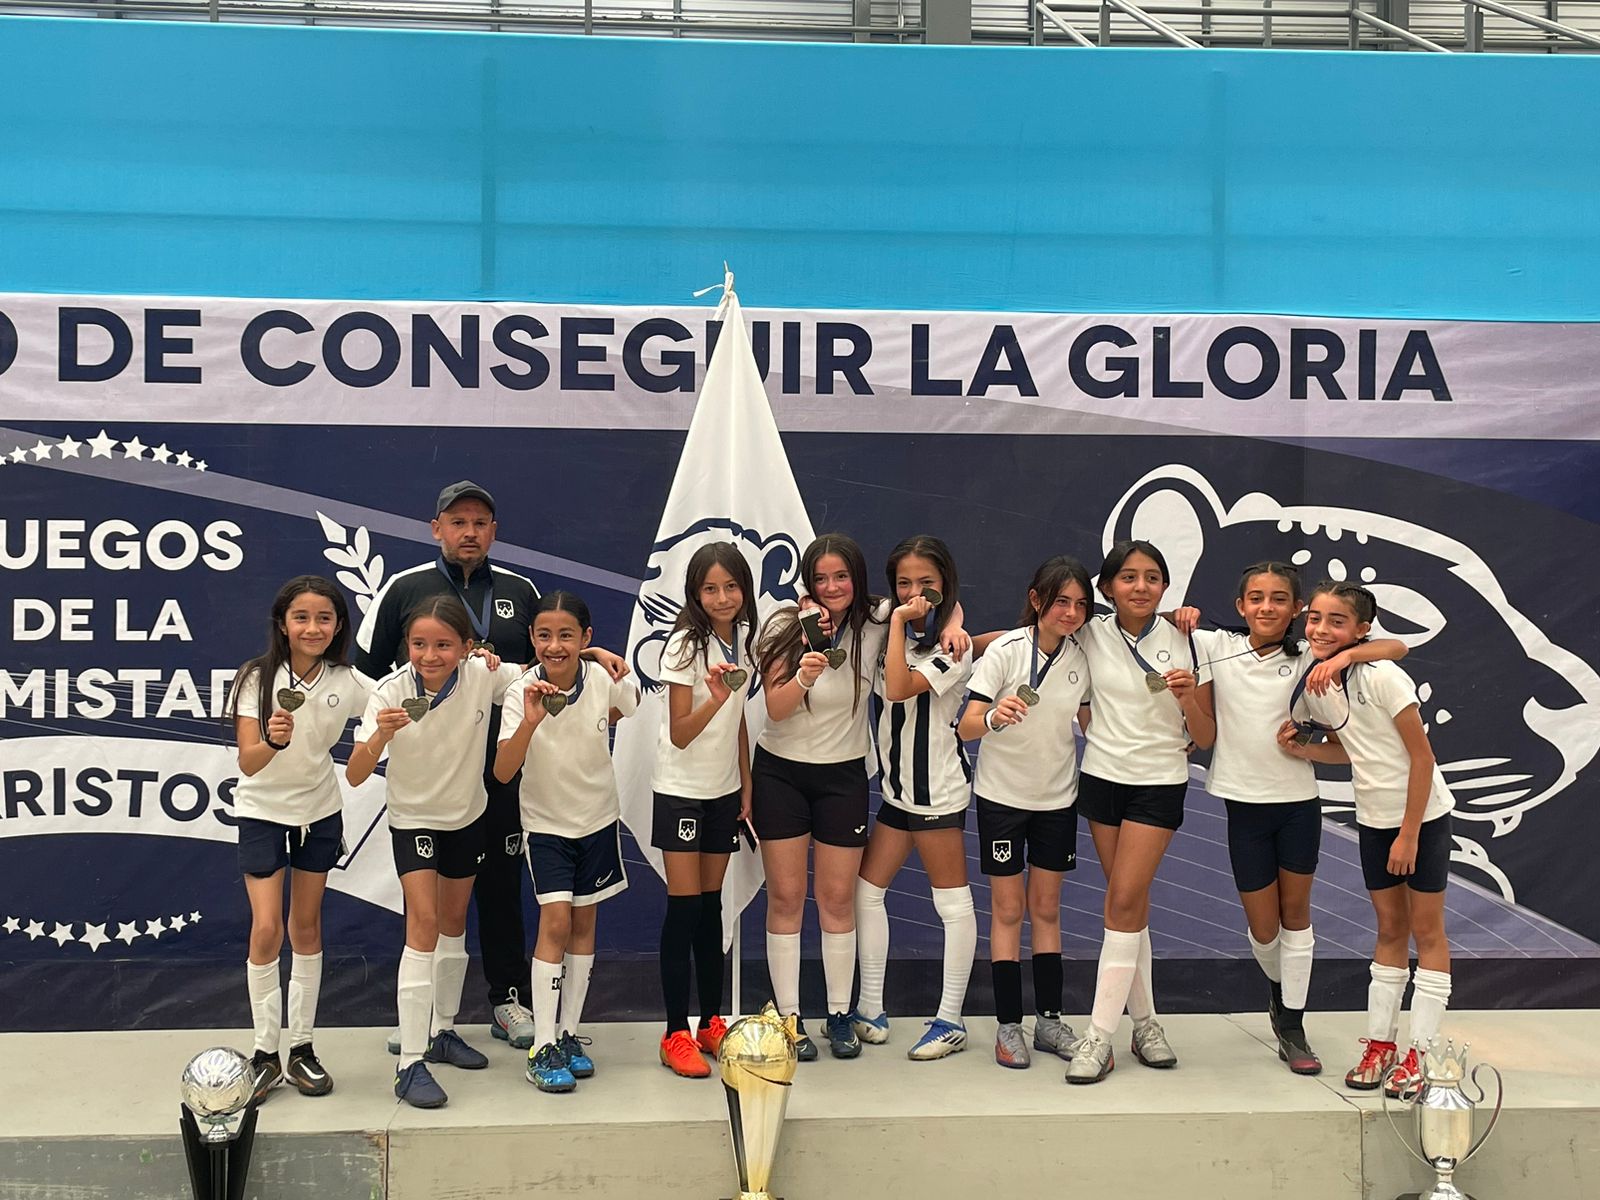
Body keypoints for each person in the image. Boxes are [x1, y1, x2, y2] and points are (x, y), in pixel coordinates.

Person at [355, 481, 624, 1054]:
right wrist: (385, 732)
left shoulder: (520, 589)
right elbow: (365, 677)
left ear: (494, 531)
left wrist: (595, 653)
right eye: (457, 521)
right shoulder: (404, 589)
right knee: (430, 912)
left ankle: (507, 1001)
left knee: (502, 888)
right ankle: (422, 1020)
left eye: (480, 522)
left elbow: (547, 660)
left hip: (507, 767)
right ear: (436, 529)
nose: (469, 531)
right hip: (433, 776)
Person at [1185, 562, 1407, 1076]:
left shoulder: (1313, 652)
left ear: (1297, 609)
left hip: (1298, 806)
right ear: (1241, 606)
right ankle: (1280, 995)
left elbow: (1397, 649)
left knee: (1296, 917)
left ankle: (1292, 1025)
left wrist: (1345, 655)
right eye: (1256, 598)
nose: (1267, 607)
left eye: (1280, 599)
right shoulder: (1217, 646)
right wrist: (1182, 613)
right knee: (1264, 931)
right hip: (1243, 804)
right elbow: (1167, 630)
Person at [752, 534, 967, 1061]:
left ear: (858, 579)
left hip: (844, 777)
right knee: (784, 899)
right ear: (807, 582)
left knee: (838, 899)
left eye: (841, 577)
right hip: (780, 775)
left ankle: (839, 1013)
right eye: (820, 579)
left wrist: (957, 624)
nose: (831, 589)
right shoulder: (784, 622)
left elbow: (938, 598)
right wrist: (803, 675)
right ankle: (789, 1019)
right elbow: (775, 711)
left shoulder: (878, 618)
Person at [1276, 580, 1454, 1098]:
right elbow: (1351, 750)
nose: (1321, 629)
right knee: (1389, 929)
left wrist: (1409, 835)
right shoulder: (1321, 682)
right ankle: (1382, 1045)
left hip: (1420, 821)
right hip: (1375, 820)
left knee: (1428, 932)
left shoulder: (1383, 676)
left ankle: (1422, 1053)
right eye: (1315, 619)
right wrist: (1305, 750)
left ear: (1361, 630)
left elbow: (1422, 759)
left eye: (1337, 621)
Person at [348, 595, 511, 1109]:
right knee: (421, 926)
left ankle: (443, 1031)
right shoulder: (389, 691)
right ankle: (409, 1062)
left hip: (467, 816)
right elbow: (354, 774)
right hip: (413, 819)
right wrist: (380, 735)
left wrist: (596, 658)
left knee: (453, 923)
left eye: (443, 644)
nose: (430, 655)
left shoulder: (485, 674)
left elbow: (544, 670)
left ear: (467, 646)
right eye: (420, 644)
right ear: (407, 646)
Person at [1065, 540, 1204, 1084]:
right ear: (1106, 588)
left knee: (1122, 899)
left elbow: (1207, 735)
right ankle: (1145, 1023)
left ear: (1166, 586)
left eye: (1152, 577)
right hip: (1102, 779)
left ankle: (1098, 1037)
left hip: (1158, 783)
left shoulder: (1194, 637)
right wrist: (956, 631)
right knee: (1131, 905)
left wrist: (1190, 699)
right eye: (1128, 577)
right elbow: (1019, 640)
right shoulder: (1088, 630)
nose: (1140, 586)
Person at [227, 575, 369, 1102]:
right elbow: (248, 761)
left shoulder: (348, 680)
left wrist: (482, 662)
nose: (313, 627)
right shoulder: (255, 678)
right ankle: (265, 1052)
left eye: (324, 618)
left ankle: (302, 1049)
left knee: (305, 925)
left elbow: (407, 693)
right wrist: (272, 738)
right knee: (267, 929)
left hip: (320, 813)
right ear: (283, 625)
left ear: (337, 627)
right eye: (302, 618)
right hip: (263, 811)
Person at [495, 592, 641, 1094]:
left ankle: (570, 1034)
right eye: (544, 635)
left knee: (584, 924)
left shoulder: (602, 677)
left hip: (598, 819)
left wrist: (600, 661)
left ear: (586, 637)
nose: (554, 646)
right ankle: (542, 1044)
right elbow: (503, 770)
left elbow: (628, 705)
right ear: (532, 639)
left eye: (566, 636)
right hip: (547, 826)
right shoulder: (520, 692)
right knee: (555, 922)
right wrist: (533, 721)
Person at [956, 556, 1093, 1069]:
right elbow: (966, 724)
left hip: (1057, 799)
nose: (1072, 612)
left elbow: (1091, 722)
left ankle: (1050, 1022)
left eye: (1080, 605)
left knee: (1048, 911)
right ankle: (1008, 1025)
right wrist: (993, 714)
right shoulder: (1008, 652)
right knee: (1009, 911)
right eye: (1061, 602)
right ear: (1037, 600)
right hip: (1002, 800)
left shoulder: (1084, 654)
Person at [853, 536, 977, 1062]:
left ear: (944, 581)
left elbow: (900, 689)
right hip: (896, 793)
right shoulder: (891, 620)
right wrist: (909, 617)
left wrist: (923, 622)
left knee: (951, 905)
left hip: (937, 794)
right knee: (866, 892)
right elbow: (850, 605)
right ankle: (868, 1007)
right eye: (904, 583)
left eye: (927, 582)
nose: (914, 592)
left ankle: (950, 1020)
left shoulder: (951, 646)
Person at [649, 544, 757, 1079]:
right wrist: (714, 696)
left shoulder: (745, 637)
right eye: (710, 588)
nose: (722, 597)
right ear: (695, 593)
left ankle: (712, 1021)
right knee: (685, 909)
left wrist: (745, 783)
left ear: (744, 590)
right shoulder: (684, 645)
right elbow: (680, 732)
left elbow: (737, 719)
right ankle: (674, 1032)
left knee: (712, 907)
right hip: (680, 790)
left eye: (731, 587)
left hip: (721, 792)